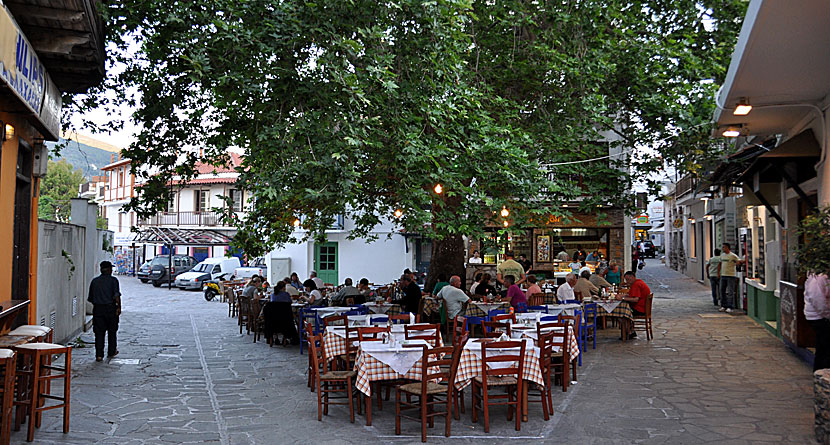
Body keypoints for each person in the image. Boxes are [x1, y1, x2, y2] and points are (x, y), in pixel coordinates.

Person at [88, 261, 122, 362]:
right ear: (109, 270)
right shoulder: (113, 281)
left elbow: (91, 298)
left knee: (99, 332)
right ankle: (111, 351)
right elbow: (116, 296)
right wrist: (119, 307)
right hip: (110, 309)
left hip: (98, 309)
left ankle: (99, 355)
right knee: (112, 331)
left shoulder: (94, 281)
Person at [805, 273, 830, 371]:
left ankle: (819, 374)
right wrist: (827, 314)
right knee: (826, 349)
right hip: (819, 317)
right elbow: (817, 300)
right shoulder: (818, 278)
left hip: (821, 316)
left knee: (822, 348)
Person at [264, 281, 300, 345]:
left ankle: (272, 337)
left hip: (273, 321)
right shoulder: (286, 294)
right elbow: (289, 302)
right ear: (283, 287)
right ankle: (293, 337)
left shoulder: (272, 295)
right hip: (285, 321)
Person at [617, 271, 651, 339]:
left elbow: (635, 299)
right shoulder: (639, 282)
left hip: (639, 309)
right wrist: (624, 295)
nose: (627, 282)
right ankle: (630, 330)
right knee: (624, 310)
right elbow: (632, 295)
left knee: (620, 313)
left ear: (632, 277)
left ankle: (627, 332)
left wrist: (623, 298)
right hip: (643, 308)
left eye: (628, 280)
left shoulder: (636, 285)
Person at [718, 243, 743, 313]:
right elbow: (720, 264)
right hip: (723, 275)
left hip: (731, 275)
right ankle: (723, 305)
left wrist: (738, 262)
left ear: (728, 248)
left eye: (724, 247)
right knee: (722, 290)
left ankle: (730, 306)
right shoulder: (722, 256)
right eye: (722, 247)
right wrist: (718, 273)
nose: (723, 249)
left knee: (730, 291)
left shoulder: (732, 255)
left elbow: (739, 261)